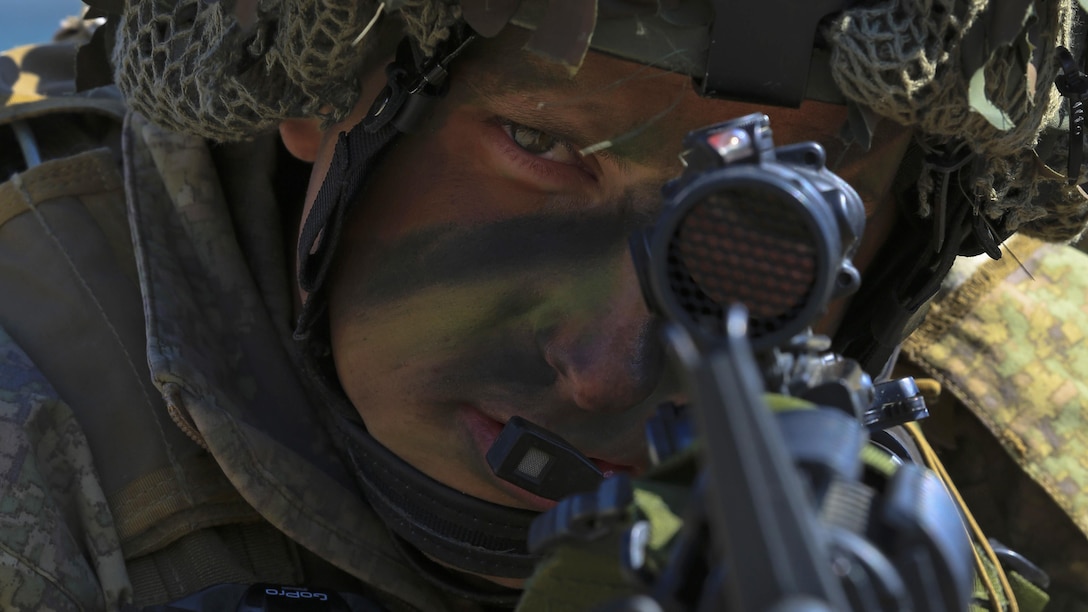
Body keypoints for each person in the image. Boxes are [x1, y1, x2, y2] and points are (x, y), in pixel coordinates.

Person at [1, 0, 1086, 610]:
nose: (607, 366)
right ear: (328, 96)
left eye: (770, 226)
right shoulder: (33, 407)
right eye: (538, 146)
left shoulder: (1025, 418)